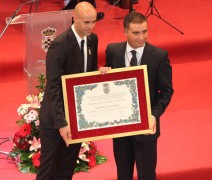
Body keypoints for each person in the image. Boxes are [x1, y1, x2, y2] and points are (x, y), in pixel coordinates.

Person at [100, 12, 174, 180]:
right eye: (136, 33)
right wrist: (104, 72)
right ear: (124, 32)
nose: (142, 37)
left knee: (146, 175)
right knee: (123, 175)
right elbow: (109, 80)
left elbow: (167, 91)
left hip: (146, 129)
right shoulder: (113, 51)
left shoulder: (159, 56)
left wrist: (154, 115)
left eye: (145, 31)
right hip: (120, 127)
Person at [36, 2, 98, 180]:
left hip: (78, 116)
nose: (91, 26)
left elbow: (89, 74)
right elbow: (53, 87)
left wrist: (101, 74)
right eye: (86, 22)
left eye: (93, 22)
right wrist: (62, 123)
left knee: (67, 169)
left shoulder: (92, 39)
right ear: (74, 19)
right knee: (48, 171)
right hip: (56, 119)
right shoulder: (59, 45)